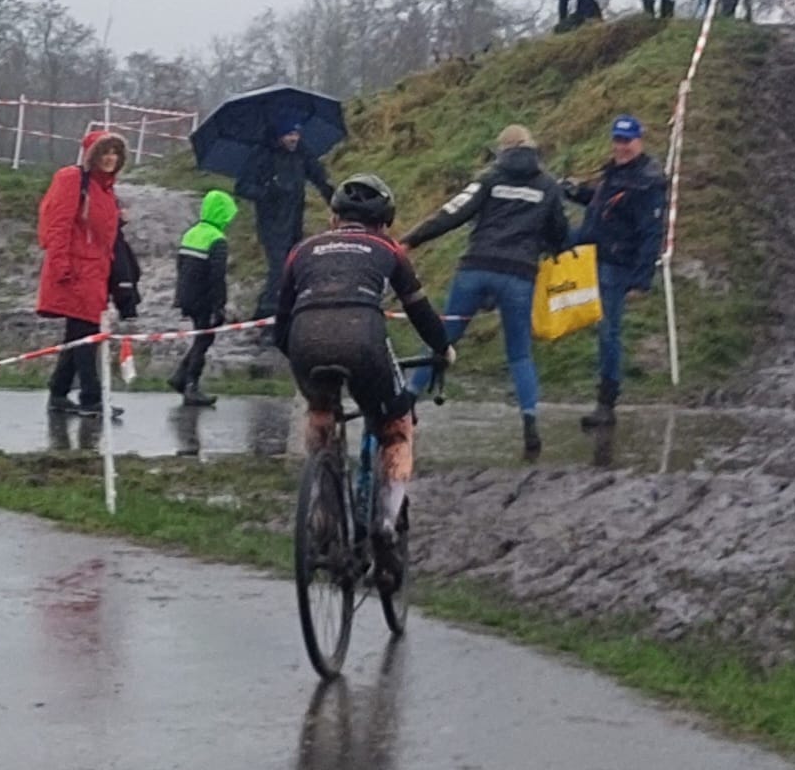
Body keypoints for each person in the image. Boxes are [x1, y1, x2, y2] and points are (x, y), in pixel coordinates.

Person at [275, 174, 451, 572]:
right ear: (384, 223)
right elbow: (420, 311)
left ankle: (322, 508)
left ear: (333, 218)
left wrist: (304, 366)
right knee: (395, 426)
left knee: (320, 413)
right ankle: (386, 522)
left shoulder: (301, 251)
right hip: (364, 342)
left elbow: (280, 325)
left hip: (306, 340)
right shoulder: (388, 249)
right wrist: (443, 349)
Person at [401, 124, 569, 458]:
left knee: (441, 340)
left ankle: (405, 405)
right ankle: (530, 424)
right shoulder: (548, 186)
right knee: (520, 354)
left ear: (503, 150)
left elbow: (453, 212)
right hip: (519, 276)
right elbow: (560, 234)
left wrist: (410, 239)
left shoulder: (490, 178)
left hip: (476, 268)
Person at [564, 115, 667, 429]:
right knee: (601, 330)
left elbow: (652, 232)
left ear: (639, 141)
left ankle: (606, 403)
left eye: (627, 141)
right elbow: (599, 203)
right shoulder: (613, 172)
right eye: (617, 140)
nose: (621, 147)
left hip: (617, 264)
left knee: (609, 333)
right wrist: (573, 191)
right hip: (592, 255)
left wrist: (642, 278)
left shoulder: (648, 180)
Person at [36, 128, 131, 419]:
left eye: (115, 152)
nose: (110, 158)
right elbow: (58, 224)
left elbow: (98, 231)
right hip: (76, 271)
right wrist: (61, 265)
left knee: (78, 333)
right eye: (104, 152)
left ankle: (59, 391)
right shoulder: (72, 179)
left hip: (95, 271)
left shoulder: (106, 190)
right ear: (92, 155)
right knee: (86, 334)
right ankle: (91, 397)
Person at [236, 117, 334, 317]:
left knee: (292, 266)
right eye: (289, 134)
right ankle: (269, 316)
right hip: (271, 223)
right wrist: (267, 192)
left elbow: (319, 178)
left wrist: (335, 201)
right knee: (279, 268)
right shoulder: (262, 154)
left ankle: (268, 310)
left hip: (295, 221)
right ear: (279, 136)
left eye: (297, 134)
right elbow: (242, 187)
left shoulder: (302, 153)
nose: (294, 138)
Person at [168, 189, 238, 407]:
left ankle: (180, 376)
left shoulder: (191, 233)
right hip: (204, 299)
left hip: (186, 294)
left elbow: (180, 265)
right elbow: (217, 276)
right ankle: (191, 385)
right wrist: (219, 306)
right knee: (204, 340)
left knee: (201, 338)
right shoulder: (217, 239)